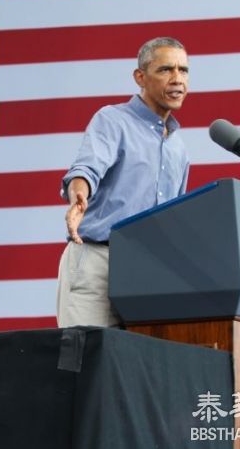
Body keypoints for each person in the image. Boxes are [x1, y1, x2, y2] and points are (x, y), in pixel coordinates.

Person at [56, 37, 190, 328]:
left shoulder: (179, 147)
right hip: (98, 263)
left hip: (149, 274)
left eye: (183, 70)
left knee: (134, 370)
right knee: (88, 362)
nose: (177, 79)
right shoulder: (113, 120)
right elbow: (86, 169)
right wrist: (79, 195)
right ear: (140, 77)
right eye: (166, 69)